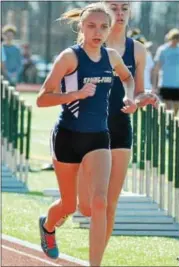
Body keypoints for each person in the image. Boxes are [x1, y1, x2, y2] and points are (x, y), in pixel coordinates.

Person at [37, 3, 138, 266]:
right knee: (70, 206)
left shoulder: (112, 57)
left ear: (109, 29)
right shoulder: (69, 58)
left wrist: (129, 97)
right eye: (91, 25)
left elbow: (128, 78)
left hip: (98, 137)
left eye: (104, 26)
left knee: (99, 203)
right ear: (81, 26)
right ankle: (48, 226)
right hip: (68, 137)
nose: (98, 31)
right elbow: (42, 99)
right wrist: (75, 95)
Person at [77, 0, 159, 256]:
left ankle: (96, 261)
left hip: (120, 128)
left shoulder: (138, 50)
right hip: (86, 130)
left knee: (109, 204)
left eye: (125, 8)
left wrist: (144, 99)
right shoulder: (85, 48)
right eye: (114, 7)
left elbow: (136, 92)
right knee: (86, 207)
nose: (120, 13)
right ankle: (53, 219)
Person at [152, 28, 179, 116]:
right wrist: (154, 85)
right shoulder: (163, 50)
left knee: (177, 107)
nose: (175, 41)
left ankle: (173, 126)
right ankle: (168, 127)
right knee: (167, 108)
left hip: (177, 84)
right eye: (174, 39)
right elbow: (156, 68)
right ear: (170, 39)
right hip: (165, 83)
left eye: (177, 39)